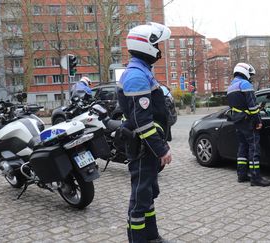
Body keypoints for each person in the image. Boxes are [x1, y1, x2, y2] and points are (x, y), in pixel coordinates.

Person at [117, 22, 172, 243]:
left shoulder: (142, 71)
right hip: (143, 148)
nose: (159, 49)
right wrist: (161, 149)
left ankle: (151, 236)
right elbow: (143, 122)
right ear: (145, 45)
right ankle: (138, 239)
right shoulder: (137, 76)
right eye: (157, 44)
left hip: (146, 147)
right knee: (140, 198)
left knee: (148, 194)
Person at [226, 63, 270, 187]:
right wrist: (258, 121)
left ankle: (241, 175)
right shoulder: (245, 84)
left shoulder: (231, 87)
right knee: (254, 147)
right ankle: (255, 177)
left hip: (238, 121)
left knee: (242, 147)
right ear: (244, 71)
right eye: (250, 74)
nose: (250, 77)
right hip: (248, 121)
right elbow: (253, 107)